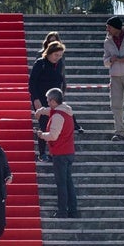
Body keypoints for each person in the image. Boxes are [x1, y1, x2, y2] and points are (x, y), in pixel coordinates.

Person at [36, 88, 78, 218]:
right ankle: (73, 210)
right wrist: (41, 110)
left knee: (61, 184)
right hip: (68, 152)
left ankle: (62, 211)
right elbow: (51, 111)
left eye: (48, 100)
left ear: (54, 101)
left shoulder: (58, 116)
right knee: (68, 182)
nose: (47, 102)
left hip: (60, 153)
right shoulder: (64, 111)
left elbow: (53, 136)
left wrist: (41, 135)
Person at [37, 32, 84, 134]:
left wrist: (63, 84)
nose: (53, 43)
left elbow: (62, 71)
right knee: (47, 111)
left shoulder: (61, 55)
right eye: (51, 41)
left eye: (55, 40)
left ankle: (75, 125)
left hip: (57, 84)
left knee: (63, 106)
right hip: (45, 86)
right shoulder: (41, 56)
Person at [28, 41, 66, 162]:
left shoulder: (59, 64)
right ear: (49, 53)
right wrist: (35, 99)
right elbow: (32, 83)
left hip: (55, 100)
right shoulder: (40, 63)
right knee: (44, 124)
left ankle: (54, 152)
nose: (58, 58)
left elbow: (61, 80)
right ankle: (42, 153)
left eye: (60, 55)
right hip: (41, 99)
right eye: (56, 55)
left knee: (55, 125)